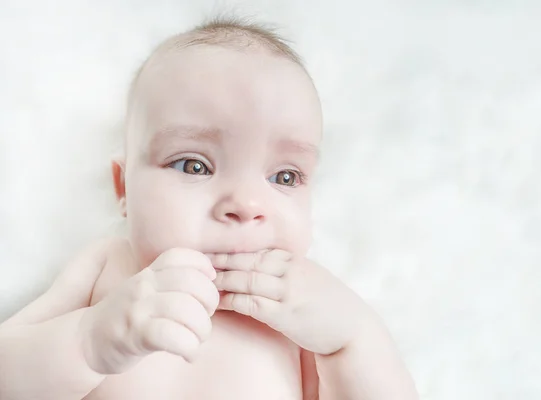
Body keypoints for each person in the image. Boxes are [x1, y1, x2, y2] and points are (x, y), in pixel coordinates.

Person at [0, 16, 418, 400]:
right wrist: (86, 343)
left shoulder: (308, 313)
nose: (246, 206)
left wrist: (353, 339)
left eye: (285, 177)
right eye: (194, 165)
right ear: (123, 187)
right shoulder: (108, 267)